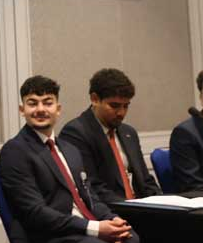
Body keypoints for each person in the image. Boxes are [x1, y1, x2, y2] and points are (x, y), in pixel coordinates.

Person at [0, 75, 141, 243]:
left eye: (47, 102)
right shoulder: (15, 151)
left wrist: (112, 220)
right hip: (53, 242)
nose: (40, 109)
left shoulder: (68, 149)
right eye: (32, 103)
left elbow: (89, 196)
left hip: (83, 231)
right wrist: (95, 228)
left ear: (58, 109)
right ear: (22, 110)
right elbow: (35, 213)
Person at [60, 68, 161, 205]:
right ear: (95, 99)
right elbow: (92, 187)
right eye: (114, 106)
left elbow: (145, 180)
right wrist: (131, 208)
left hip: (141, 207)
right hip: (111, 211)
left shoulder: (128, 132)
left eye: (126, 106)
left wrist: (163, 204)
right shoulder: (76, 132)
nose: (121, 113)